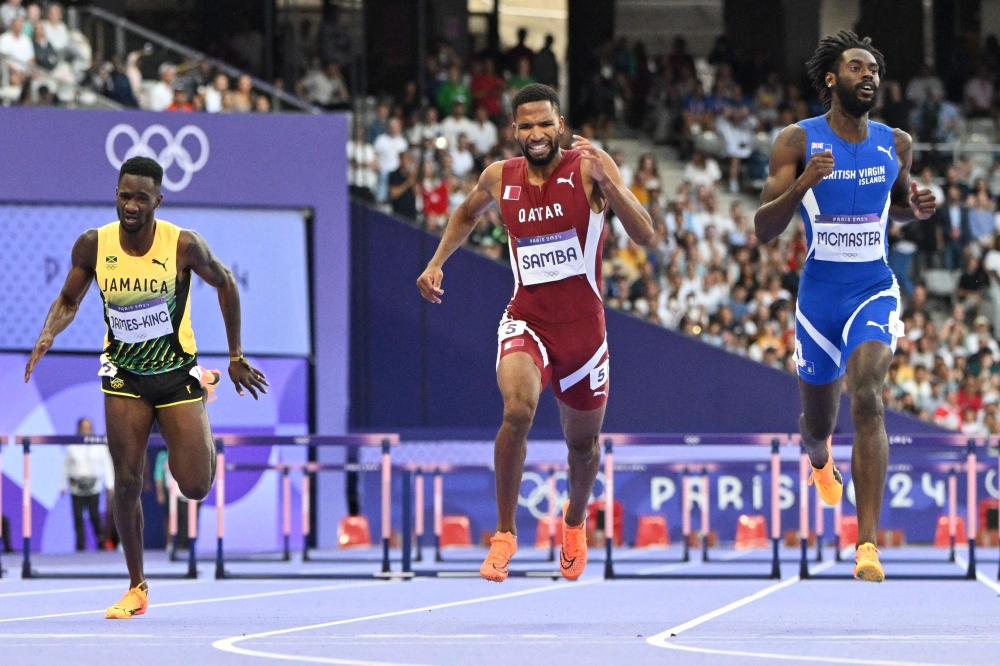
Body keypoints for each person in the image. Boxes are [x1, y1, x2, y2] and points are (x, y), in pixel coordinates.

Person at [416, 84, 653, 582]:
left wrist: (610, 188)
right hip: (528, 320)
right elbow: (465, 212)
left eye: (545, 123)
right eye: (526, 126)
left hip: (585, 337)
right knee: (517, 410)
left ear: (560, 125)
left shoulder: (590, 166)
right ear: (514, 132)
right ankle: (504, 535)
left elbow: (646, 232)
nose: (537, 133)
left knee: (583, 447)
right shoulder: (500, 177)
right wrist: (437, 262)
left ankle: (573, 521)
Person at [24, 156, 268, 619]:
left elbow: (227, 282)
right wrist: (46, 333)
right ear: (115, 194)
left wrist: (235, 356)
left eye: (141, 197)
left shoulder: (183, 245)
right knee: (128, 479)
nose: (131, 205)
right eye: (124, 195)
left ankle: (204, 394)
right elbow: (69, 299)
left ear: (158, 199)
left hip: (176, 374)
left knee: (194, 485)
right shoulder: (94, 245)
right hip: (124, 374)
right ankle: (137, 586)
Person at [755, 32, 937, 582]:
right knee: (817, 426)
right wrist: (805, 182)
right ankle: (818, 460)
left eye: (874, 70)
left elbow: (898, 208)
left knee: (868, 396)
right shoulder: (796, 141)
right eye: (857, 67)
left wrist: (917, 209)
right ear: (832, 79)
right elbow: (764, 227)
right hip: (818, 299)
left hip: (873, 288)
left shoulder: (895, 143)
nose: (869, 76)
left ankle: (867, 545)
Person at [61, 417, 115, 551]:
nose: (86, 429)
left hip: (94, 486)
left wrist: (109, 484)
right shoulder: (72, 446)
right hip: (76, 487)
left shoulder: (99, 445)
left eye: (88, 427)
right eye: (83, 427)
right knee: (78, 518)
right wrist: (62, 485)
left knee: (94, 516)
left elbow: (107, 465)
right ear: (79, 428)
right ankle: (80, 546)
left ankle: (101, 542)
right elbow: (65, 466)